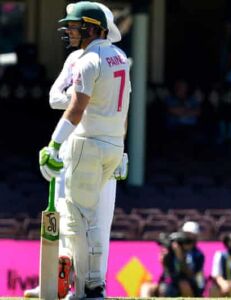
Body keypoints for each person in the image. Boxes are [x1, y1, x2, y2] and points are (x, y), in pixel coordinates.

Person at [25, 3, 127, 299]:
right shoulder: (112, 58)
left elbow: (77, 108)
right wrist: (83, 95)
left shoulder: (91, 60)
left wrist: (54, 143)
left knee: (87, 220)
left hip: (87, 144)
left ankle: (90, 286)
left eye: (74, 26)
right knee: (80, 220)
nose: (69, 30)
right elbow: (55, 97)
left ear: (94, 28)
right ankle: (70, 283)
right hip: (95, 145)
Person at [141, 221, 205, 297]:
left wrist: (180, 257)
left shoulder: (198, 255)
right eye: (186, 234)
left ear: (195, 237)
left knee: (183, 285)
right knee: (146, 288)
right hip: (169, 282)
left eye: (190, 235)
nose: (187, 237)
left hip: (187, 283)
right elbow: (166, 268)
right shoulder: (173, 248)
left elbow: (191, 274)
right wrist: (165, 256)